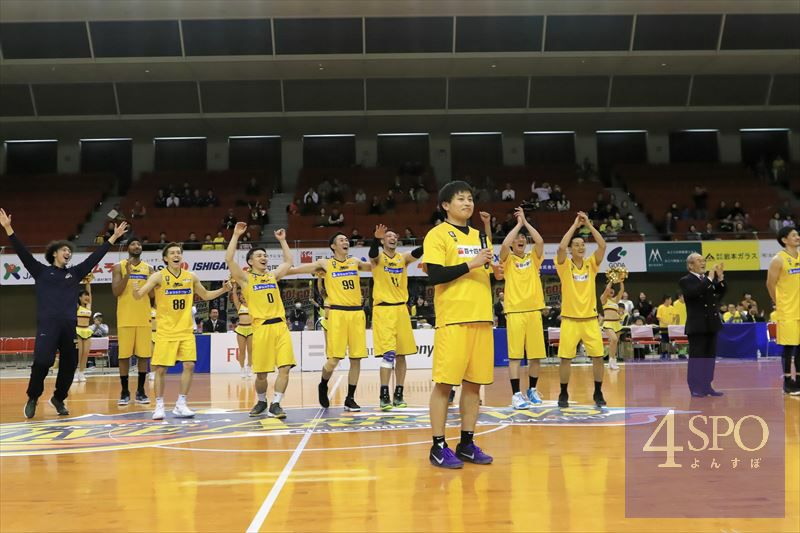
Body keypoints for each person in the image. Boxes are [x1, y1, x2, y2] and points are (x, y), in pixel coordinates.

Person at [0, 208, 128, 419]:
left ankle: (58, 398)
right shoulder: (41, 271)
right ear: (54, 253)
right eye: (64, 250)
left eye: (70, 251)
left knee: (69, 365)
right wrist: (8, 228)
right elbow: (22, 253)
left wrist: (113, 238)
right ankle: (33, 397)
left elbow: (94, 259)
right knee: (42, 362)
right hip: (47, 327)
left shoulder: (74, 273)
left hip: (69, 328)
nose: (68, 253)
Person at [422, 180, 501, 468]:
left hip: (481, 318)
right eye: (460, 199)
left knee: (474, 386)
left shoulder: (480, 236)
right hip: (454, 319)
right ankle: (438, 446)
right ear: (445, 205)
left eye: (470, 198)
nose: (467, 203)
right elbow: (435, 275)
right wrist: (472, 264)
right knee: (444, 385)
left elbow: (484, 270)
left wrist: (495, 272)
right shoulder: (437, 235)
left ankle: (466, 444)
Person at [134, 243, 232, 420]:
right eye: (172, 253)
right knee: (160, 369)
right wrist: (136, 291)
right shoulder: (158, 276)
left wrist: (223, 289)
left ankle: (181, 404)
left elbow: (206, 295)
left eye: (178, 252)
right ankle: (159, 405)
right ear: (165, 258)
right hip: (165, 331)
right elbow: (140, 294)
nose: (176, 255)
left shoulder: (191, 276)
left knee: (189, 365)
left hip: (186, 330)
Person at [288, 233, 373, 411]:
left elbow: (375, 267)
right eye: (341, 240)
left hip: (356, 313)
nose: (345, 241)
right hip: (337, 313)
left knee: (356, 359)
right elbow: (298, 270)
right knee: (333, 360)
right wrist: (282, 272)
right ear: (333, 246)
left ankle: (350, 398)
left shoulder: (355, 261)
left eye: (346, 239)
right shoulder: (325, 264)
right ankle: (323, 384)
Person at [226, 223, 295, 418]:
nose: (264, 258)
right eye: (259, 256)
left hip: (280, 326)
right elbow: (229, 259)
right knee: (262, 374)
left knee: (285, 368)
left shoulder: (272, 276)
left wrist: (282, 240)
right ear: (250, 261)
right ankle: (262, 400)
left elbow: (289, 261)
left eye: (265, 255)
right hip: (261, 328)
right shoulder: (246, 279)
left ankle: (276, 403)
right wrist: (235, 235)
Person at [555, 212, 607, 408]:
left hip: (590, 319)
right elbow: (561, 247)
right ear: (571, 249)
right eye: (576, 245)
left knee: (598, 357)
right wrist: (575, 225)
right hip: (570, 320)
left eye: (582, 245)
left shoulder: (591, 264)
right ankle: (563, 392)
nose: (580, 247)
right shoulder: (564, 266)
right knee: (565, 359)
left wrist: (589, 225)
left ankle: (598, 391)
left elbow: (602, 245)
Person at [369, 224, 424, 410]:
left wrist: (431, 240)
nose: (392, 238)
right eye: (388, 236)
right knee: (389, 354)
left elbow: (417, 253)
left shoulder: (402, 258)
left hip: (401, 309)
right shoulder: (378, 258)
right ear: (383, 241)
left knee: (401, 355)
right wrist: (375, 238)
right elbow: (372, 253)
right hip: (384, 310)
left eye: (394, 236)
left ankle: (399, 394)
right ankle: (384, 394)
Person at [499, 207, 546, 409]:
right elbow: (504, 245)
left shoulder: (533, 258)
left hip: (534, 311)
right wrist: (518, 225)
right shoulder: (508, 259)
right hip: (515, 312)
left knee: (535, 356)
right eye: (517, 238)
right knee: (515, 357)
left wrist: (526, 223)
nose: (520, 240)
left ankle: (532, 390)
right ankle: (516, 395)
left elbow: (540, 242)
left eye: (523, 238)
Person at [111, 237, 154, 405]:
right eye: (133, 244)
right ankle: (124, 391)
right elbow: (116, 292)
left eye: (139, 244)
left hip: (144, 317)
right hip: (125, 317)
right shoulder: (118, 266)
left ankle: (141, 391)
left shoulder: (149, 269)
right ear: (128, 248)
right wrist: (127, 275)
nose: (137, 246)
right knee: (124, 357)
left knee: (143, 356)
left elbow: (152, 295)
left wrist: (153, 285)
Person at [679, 253, 727, 397]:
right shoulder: (686, 280)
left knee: (709, 358)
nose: (703, 263)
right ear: (690, 265)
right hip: (697, 325)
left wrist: (720, 278)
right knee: (697, 357)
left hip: (711, 324)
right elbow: (694, 293)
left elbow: (719, 293)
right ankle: (695, 387)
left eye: (703, 260)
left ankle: (707, 385)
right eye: (699, 261)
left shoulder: (707, 280)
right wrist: (709, 279)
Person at [766, 227, 800, 395]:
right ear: (784, 240)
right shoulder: (778, 260)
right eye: (793, 235)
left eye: (797, 234)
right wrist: (778, 302)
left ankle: (798, 380)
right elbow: (770, 284)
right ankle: (787, 382)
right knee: (789, 346)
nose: (797, 237)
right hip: (787, 310)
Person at [600, 279, 624, 371]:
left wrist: (621, 281)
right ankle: (611, 361)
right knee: (613, 339)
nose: (612, 290)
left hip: (617, 323)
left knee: (614, 343)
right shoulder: (603, 299)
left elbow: (621, 291)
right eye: (610, 289)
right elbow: (607, 289)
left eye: (613, 289)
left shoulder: (615, 300)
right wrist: (611, 280)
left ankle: (612, 361)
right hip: (608, 323)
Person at [230, 286, 253, 378]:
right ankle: (242, 368)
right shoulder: (239, 305)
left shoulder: (253, 305)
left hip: (251, 329)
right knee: (242, 351)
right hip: (241, 329)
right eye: (241, 295)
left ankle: (249, 367)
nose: (243, 296)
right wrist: (234, 287)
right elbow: (234, 295)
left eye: (244, 294)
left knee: (250, 351)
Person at [74, 280, 93, 383]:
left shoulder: (88, 306)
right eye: (84, 295)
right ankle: (75, 373)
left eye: (87, 295)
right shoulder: (77, 306)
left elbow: (90, 293)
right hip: (78, 330)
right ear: (79, 298)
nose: (87, 297)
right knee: (79, 353)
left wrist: (88, 282)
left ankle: (81, 373)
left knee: (85, 353)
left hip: (87, 331)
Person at [655, 295, 676, 359]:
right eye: (670, 299)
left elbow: (674, 317)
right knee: (664, 340)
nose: (671, 301)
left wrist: (672, 324)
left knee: (670, 341)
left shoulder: (672, 308)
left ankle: (669, 353)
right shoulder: (660, 307)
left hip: (671, 328)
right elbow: (658, 317)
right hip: (663, 327)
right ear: (666, 300)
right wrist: (665, 323)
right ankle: (663, 353)